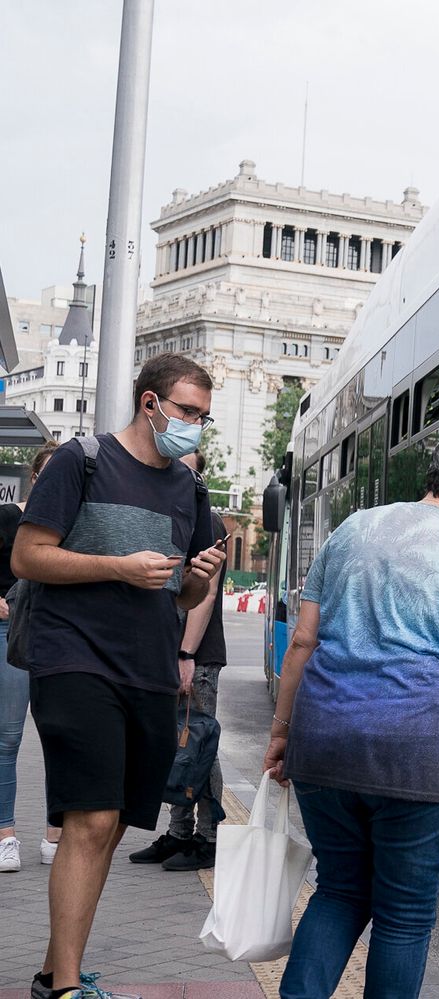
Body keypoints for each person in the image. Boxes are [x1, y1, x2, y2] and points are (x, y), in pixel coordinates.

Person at [263, 426, 439, 999]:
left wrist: (282, 733)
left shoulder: (351, 531)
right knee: (404, 916)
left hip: (324, 742)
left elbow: (302, 644)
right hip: (418, 754)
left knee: (339, 891)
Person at [16, 355, 226, 999]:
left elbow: (180, 599)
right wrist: (116, 566)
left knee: (108, 827)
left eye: (203, 417)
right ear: (149, 403)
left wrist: (196, 579)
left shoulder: (189, 491)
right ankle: (67, 989)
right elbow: (29, 556)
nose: (194, 426)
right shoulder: (79, 461)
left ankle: (56, 971)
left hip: (148, 671)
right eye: (187, 412)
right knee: (91, 817)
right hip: (73, 659)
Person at [126, 451, 228, 872]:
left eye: (184, 465)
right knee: (180, 745)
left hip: (195, 656)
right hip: (169, 652)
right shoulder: (176, 513)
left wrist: (187, 654)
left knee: (200, 744)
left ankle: (209, 838)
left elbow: (202, 598)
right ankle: (179, 832)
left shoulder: (210, 523)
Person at [0, 443, 66, 874]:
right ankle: (5, 835)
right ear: (35, 478)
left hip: (60, 636)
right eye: (47, 476)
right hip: (10, 630)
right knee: (7, 738)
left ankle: (54, 836)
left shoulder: (74, 524)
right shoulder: (7, 518)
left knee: (60, 741)